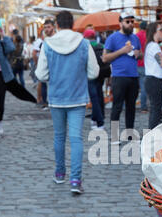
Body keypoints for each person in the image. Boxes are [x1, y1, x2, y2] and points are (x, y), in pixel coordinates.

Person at [35, 11, 99, 193]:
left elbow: (40, 74)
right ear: (73, 24)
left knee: (59, 137)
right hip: (77, 97)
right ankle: (76, 180)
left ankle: (60, 173)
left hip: (56, 98)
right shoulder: (84, 43)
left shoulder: (48, 44)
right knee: (76, 138)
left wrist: (53, 78)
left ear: (56, 24)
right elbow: (94, 72)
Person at [102, 10, 142, 145]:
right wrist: (121, 51)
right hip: (119, 77)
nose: (131, 24)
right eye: (127, 21)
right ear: (120, 23)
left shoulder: (135, 38)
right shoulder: (112, 38)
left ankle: (130, 135)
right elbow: (105, 58)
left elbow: (140, 53)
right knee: (117, 107)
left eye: (132, 21)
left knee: (131, 107)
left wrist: (138, 53)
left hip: (133, 76)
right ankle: (114, 136)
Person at [84, 29, 108, 130]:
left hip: (90, 74)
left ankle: (99, 121)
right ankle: (96, 117)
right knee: (99, 95)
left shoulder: (86, 46)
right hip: (102, 73)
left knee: (94, 97)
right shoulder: (101, 45)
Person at [33, 20, 56, 110]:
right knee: (43, 84)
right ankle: (45, 102)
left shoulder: (56, 39)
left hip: (56, 67)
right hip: (47, 66)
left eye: (48, 27)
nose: (46, 29)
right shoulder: (44, 41)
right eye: (45, 27)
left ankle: (52, 102)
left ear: (53, 27)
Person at [136, 20, 148, 113]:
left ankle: (130, 105)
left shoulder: (136, 36)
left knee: (135, 87)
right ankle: (143, 107)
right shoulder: (148, 36)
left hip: (136, 63)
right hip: (145, 64)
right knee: (144, 87)